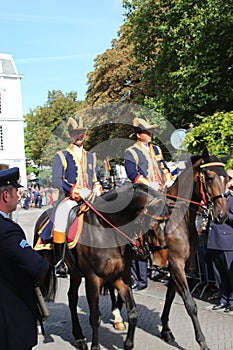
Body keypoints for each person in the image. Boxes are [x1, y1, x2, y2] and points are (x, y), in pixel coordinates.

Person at [0, 167, 49, 350]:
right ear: (6, 195)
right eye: (15, 192)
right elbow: (36, 266)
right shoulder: (8, 230)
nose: (18, 196)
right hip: (11, 316)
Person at [50, 116, 102, 278]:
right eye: (75, 133)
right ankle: (60, 262)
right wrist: (76, 191)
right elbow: (57, 180)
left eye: (82, 132)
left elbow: (97, 178)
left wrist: (98, 187)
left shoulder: (92, 157)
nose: (79, 135)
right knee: (61, 216)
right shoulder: (62, 155)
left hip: (92, 197)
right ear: (69, 134)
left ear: (85, 133)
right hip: (70, 199)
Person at [124, 117, 173, 290]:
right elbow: (133, 175)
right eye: (146, 132)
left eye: (150, 131)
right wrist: (149, 183)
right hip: (144, 191)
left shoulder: (157, 149)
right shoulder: (131, 152)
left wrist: (168, 179)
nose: (150, 134)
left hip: (161, 190)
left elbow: (164, 167)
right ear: (139, 135)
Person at [207, 169, 233, 312]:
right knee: (219, 275)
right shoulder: (213, 201)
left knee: (230, 274)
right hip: (214, 241)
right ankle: (223, 299)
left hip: (227, 242)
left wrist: (225, 214)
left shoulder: (232, 200)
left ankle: (232, 300)